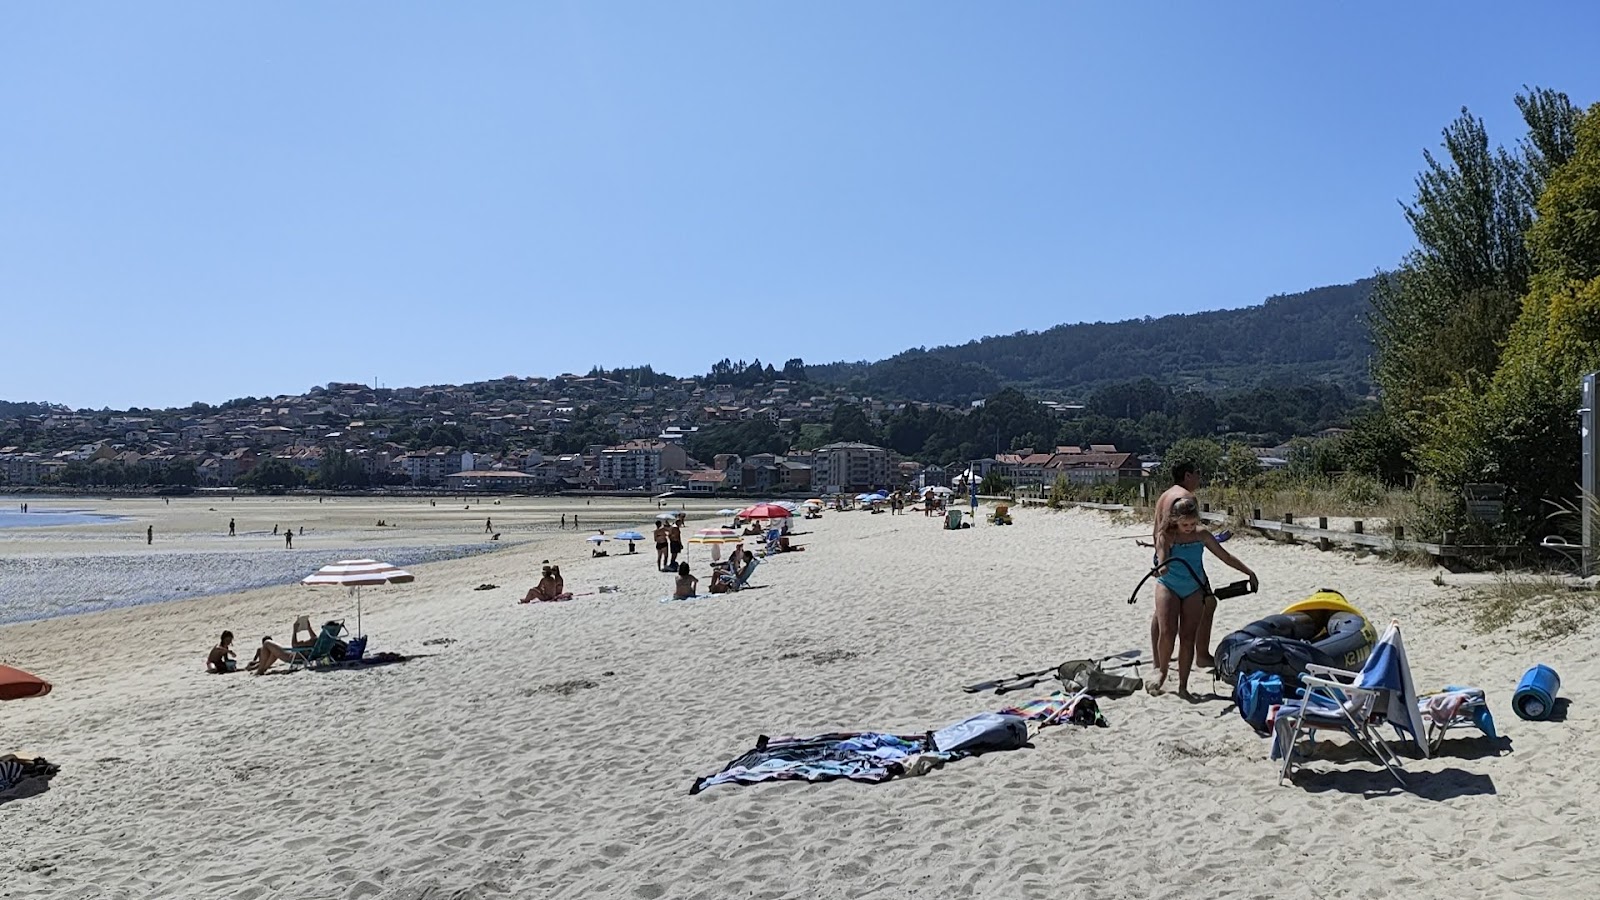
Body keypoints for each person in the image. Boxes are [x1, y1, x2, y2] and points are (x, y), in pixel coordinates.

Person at [1150, 497, 1257, 700]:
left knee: (1188, 637)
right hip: (1168, 586)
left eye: (1192, 523)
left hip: (1194, 588)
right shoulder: (1166, 535)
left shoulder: (1202, 534)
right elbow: (1161, 556)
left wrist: (1248, 572)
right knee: (1167, 632)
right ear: (1174, 520)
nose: (1189, 528)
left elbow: (1225, 556)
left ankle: (1183, 685)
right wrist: (1161, 567)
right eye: (1184, 524)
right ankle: (1162, 672)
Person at [1151, 462, 1207, 667]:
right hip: (1180, 557)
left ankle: (1158, 662)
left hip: (1161, 554)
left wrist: (1159, 556)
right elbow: (1189, 531)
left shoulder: (1164, 496)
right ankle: (1201, 654)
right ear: (1187, 475)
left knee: (1161, 612)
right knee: (1207, 602)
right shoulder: (1187, 498)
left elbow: (1158, 530)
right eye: (1197, 474)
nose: (1199, 478)